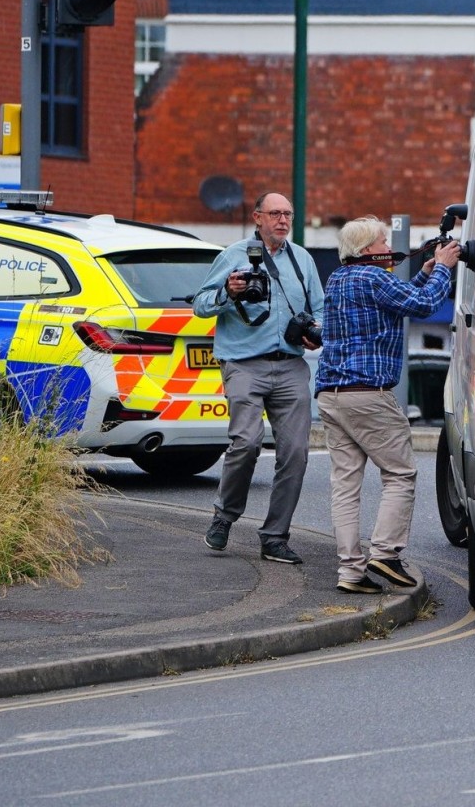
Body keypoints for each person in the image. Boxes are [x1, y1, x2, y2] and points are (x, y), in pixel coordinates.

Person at [315, 216, 461, 594]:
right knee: (399, 474)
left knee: (346, 485)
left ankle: (351, 572)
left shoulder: (339, 279)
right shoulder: (374, 277)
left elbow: (395, 305)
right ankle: (386, 553)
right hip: (368, 395)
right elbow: (426, 306)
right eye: (382, 242)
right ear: (366, 250)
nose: (387, 248)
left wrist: (424, 273)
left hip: (331, 395)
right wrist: (443, 269)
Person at [193, 192, 325, 564]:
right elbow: (201, 306)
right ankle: (224, 516)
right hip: (243, 363)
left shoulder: (303, 259)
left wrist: (315, 329)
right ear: (257, 217)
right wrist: (228, 292)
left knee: (296, 453)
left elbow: (323, 309)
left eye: (288, 214)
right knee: (247, 443)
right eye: (275, 214)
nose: (283, 220)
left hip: (290, 365)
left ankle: (275, 537)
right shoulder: (234, 255)